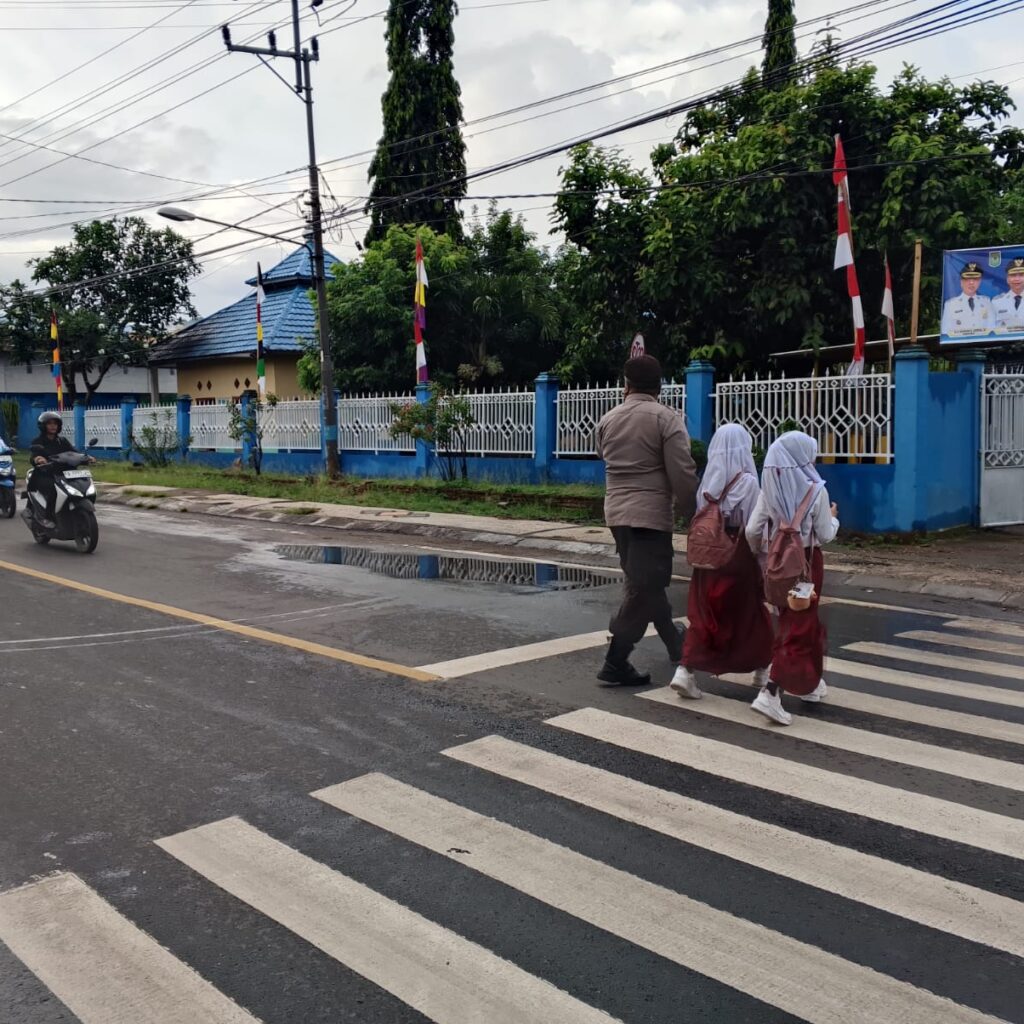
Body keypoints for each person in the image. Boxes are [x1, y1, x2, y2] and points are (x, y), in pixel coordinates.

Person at [596, 354, 698, 686]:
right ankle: (616, 661)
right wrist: (694, 512)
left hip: (617, 516)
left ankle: (674, 643)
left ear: (625, 384)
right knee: (644, 588)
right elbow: (682, 473)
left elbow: (603, 456)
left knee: (646, 585)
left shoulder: (608, 420)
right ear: (659, 386)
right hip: (651, 518)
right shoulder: (666, 420)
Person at [670, 424, 774, 700]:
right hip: (736, 555)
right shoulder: (748, 482)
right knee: (750, 615)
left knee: (706, 616)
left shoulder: (708, 482)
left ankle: (685, 670)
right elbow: (755, 527)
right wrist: (762, 560)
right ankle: (762, 669)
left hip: (707, 558)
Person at [745, 431, 839, 725]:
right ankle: (771, 692)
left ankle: (810, 684)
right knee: (799, 626)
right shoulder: (816, 491)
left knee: (794, 621)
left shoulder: (769, 491)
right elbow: (825, 533)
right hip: (807, 566)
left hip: (777, 565)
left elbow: (752, 531)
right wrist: (834, 517)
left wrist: (766, 554)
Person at [28, 411, 91, 528]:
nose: (53, 426)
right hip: (45, 475)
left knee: (80, 485)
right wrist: (38, 459)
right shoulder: (38, 441)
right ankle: (47, 517)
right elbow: (33, 455)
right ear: (43, 426)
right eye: (49, 423)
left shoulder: (62, 441)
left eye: (55, 423)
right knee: (54, 489)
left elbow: (74, 453)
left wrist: (86, 458)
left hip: (64, 474)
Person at [941, 261, 994, 337]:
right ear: (961, 282)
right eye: (967, 279)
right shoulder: (950, 305)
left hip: (983, 346)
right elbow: (945, 332)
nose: (971, 282)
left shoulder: (987, 302)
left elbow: (992, 330)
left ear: (980, 281)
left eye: (975, 279)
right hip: (960, 346)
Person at [992, 257, 1024, 334]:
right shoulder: (996, 302)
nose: (1017, 279)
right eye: (1013, 275)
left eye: (1021, 275)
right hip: (1004, 345)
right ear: (1007, 279)